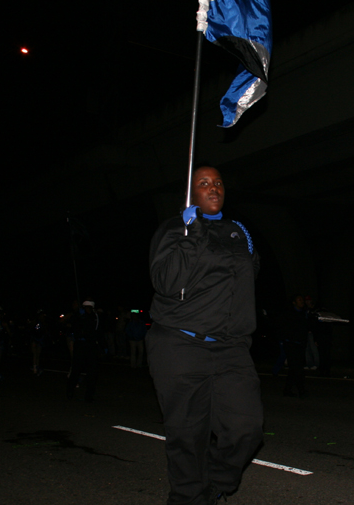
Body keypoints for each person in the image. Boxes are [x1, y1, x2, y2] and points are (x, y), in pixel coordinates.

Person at [145, 166, 263, 505]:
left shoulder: (238, 231)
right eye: (204, 183)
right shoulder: (174, 229)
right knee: (187, 437)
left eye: (218, 183)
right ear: (191, 193)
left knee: (247, 427)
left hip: (229, 347)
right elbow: (167, 283)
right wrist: (192, 231)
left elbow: (249, 276)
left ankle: (216, 482)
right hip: (180, 345)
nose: (213, 188)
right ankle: (188, 498)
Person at [66, 300, 102, 402]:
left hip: (91, 346)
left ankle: (89, 395)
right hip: (80, 345)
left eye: (89, 307)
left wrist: (102, 346)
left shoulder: (95, 317)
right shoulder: (79, 316)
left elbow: (98, 331)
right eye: (85, 307)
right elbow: (72, 325)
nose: (87, 309)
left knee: (92, 372)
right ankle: (70, 391)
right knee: (76, 369)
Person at [278, 295, 309, 397]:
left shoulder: (304, 313)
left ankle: (287, 390)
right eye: (299, 300)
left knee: (294, 368)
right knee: (297, 368)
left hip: (300, 344)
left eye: (302, 299)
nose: (302, 302)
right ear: (294, 302)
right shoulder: (289, 313)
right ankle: (301, 391)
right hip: (291, 343)